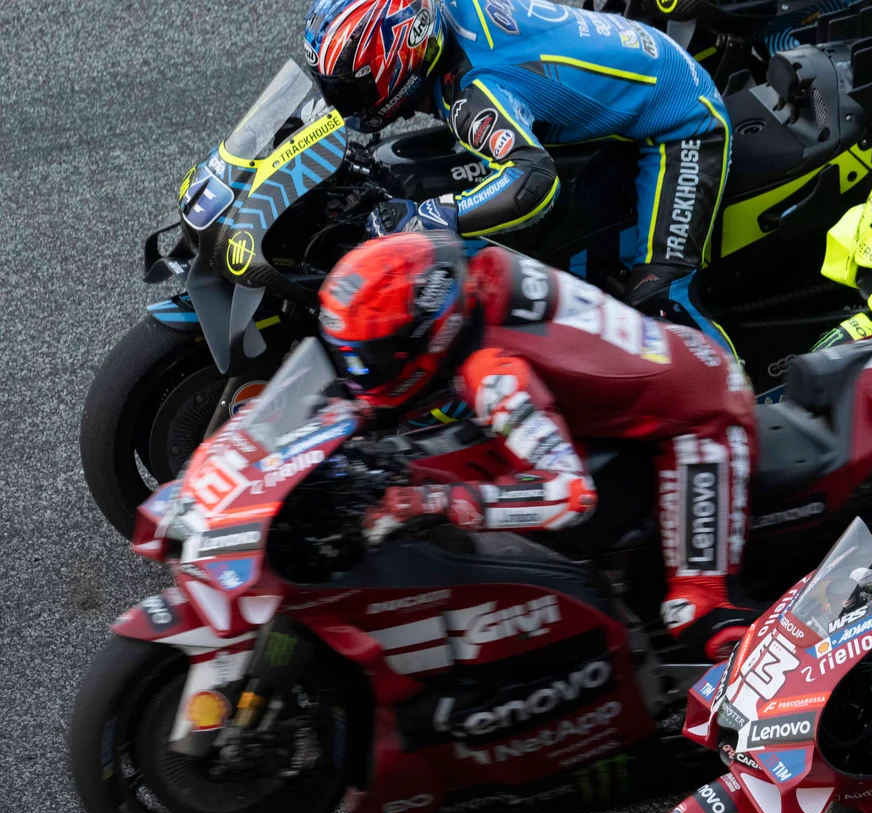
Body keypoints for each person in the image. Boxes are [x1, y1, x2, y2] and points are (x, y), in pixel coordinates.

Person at [316, 231, 758, 661]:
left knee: (698, 615)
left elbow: (569, 497)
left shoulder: (492, 374)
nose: (357, 373)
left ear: (427, 335)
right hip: (619, 394)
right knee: (420, 466)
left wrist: (433, 501)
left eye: (366, 360)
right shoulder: (478, 271)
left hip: (702, 418)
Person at [303, 0, 733, 346]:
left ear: (397, 61)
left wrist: (428, 218)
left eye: (350, 89)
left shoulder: (473, 91)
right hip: (634, 81)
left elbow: (533, 181)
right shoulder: (444, 12)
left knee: (659, 303)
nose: (344, 102)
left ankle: (741, 415)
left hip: (683, 120)